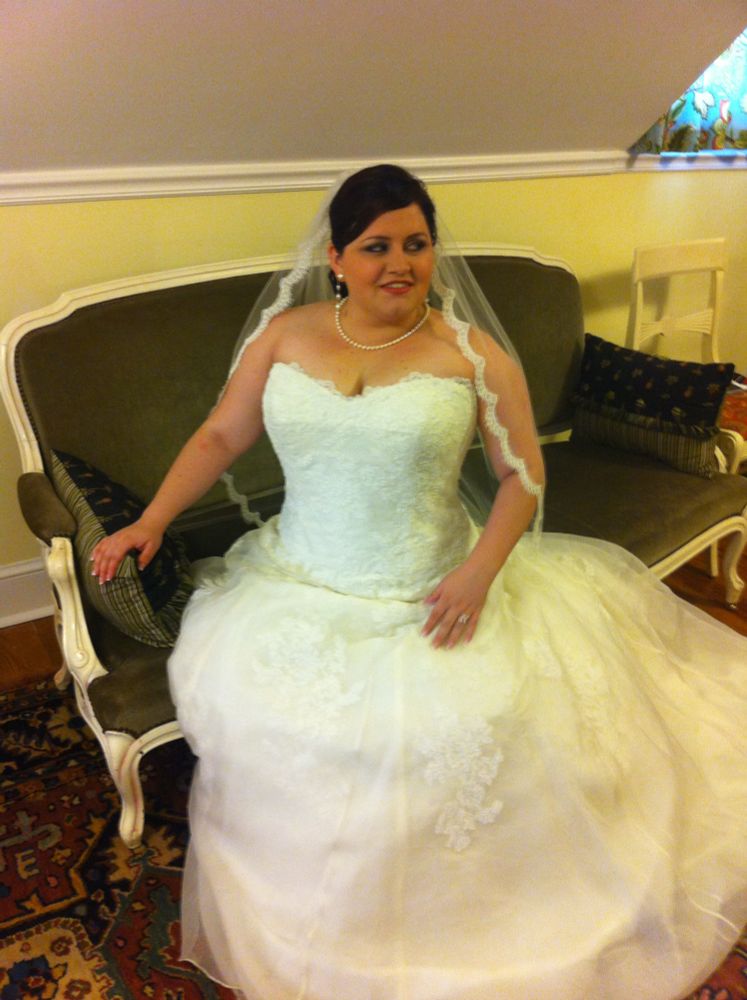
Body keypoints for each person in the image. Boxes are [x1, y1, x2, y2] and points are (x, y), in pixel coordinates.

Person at [92, 165, 747, 1000]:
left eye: (415, 243)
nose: (397, 262)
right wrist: (150, 520)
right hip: (300, 581)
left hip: (438, 587)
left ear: (435, 251)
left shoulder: (471, 355)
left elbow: (523, 478)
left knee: (472, 726)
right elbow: (221, 435)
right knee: (284, 719)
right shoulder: (285, 336)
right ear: (336, 257)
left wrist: (477, 574)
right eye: (375, 247)